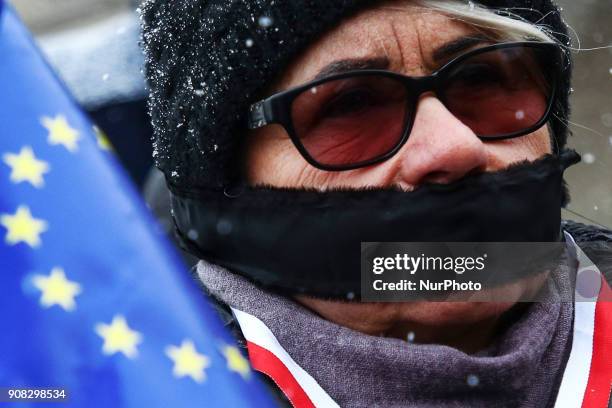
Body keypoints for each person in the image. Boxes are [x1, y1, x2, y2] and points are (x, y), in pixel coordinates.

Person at [140, 0, 612, 406]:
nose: (454, 146)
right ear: (226, 188)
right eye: (353, 105)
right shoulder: (140, 386)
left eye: (481, 79)